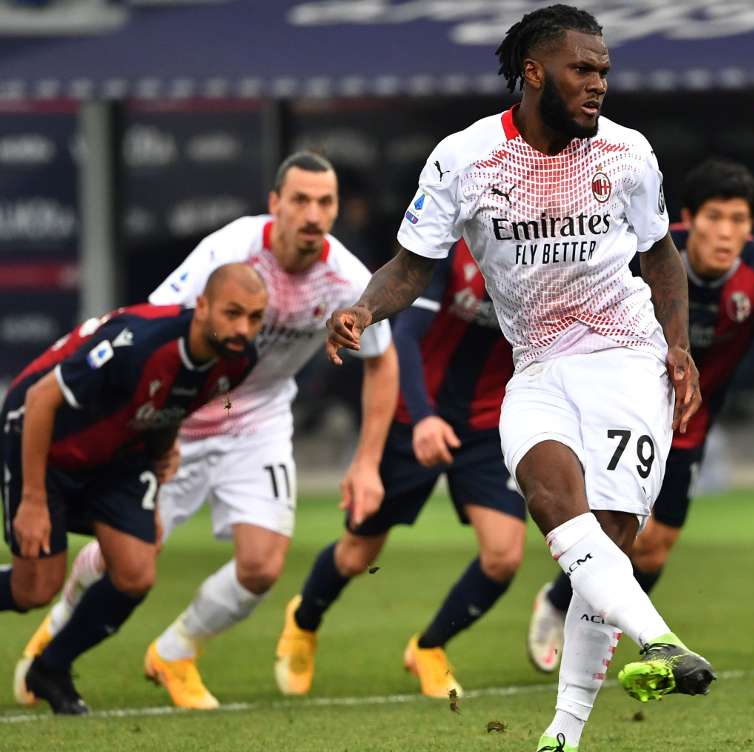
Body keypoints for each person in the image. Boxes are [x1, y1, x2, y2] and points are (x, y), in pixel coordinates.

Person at [324, 5, 714, 752]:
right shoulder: (466, 158)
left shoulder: (628, 154)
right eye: (583, 69)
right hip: (536, 367)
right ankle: (663, 642)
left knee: (607, 546)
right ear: (534, 72)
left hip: (627, 360)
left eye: (604, 71)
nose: (598, 84)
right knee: (551, 503)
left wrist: (677, 346)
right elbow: (411, 266)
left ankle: (558, 747)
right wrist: (363, 309)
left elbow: (662, 257)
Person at [16, 152, 398, 710]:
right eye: (300, 200)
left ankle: (175, 652)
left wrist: (366, 462)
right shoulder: (230, 250)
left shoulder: (347, 278)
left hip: (260, 418)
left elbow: (382, 360)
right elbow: (156, 325)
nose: (313, 214)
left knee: (262, 567)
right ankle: (60, 623)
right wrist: (140, 430)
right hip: (182, 417)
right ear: (275, 203)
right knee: (128, 553)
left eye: (325, 202)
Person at [526, 157, 754, 671]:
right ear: (688, 218)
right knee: (611, 527)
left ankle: (581, 613)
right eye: (714, 217)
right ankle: (560, 610)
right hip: (623, 408)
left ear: (751, 227)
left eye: (738, 220)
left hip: (687, 428)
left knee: (654, 549)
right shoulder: (650, 252)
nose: (725, 232)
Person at [1, 263, 266, 714]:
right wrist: (32, 498)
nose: (243, 328)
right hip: (46, 443)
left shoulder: (239, 361)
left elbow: (174, 403)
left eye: (255, 317)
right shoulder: (138, 343)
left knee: (136, 572)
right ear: (202, 307)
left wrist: (163, 456)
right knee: (35, 589)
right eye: (233, 313)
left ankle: (51, 668)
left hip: (119, 456)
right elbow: (39, 399)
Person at [275, 239, 526, 699]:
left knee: (504, 556)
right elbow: (405, 336)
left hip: (487, 423)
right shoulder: (455, 250)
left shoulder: (552, 256)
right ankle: (304, 620)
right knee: (356, 556)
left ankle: (429, 648)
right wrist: (424, 417)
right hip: (414, 414)